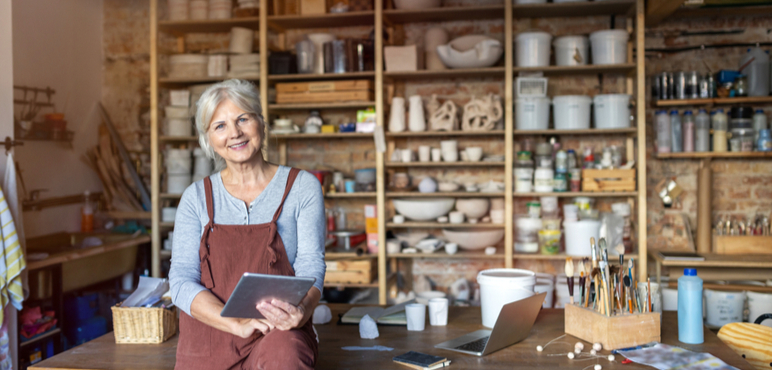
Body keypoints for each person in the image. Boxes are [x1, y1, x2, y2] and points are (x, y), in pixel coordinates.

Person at [169, 79, 325, 369]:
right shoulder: (195, 198)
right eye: (220, 126)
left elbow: (311, 264)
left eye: (243, 119)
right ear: (208, 139)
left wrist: (301, 311)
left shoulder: (302, 187)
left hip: (276, 331)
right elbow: (180, 280)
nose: (235, 133)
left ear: (261, 124)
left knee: (286, 356)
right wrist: (233, 322)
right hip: (210, 336)